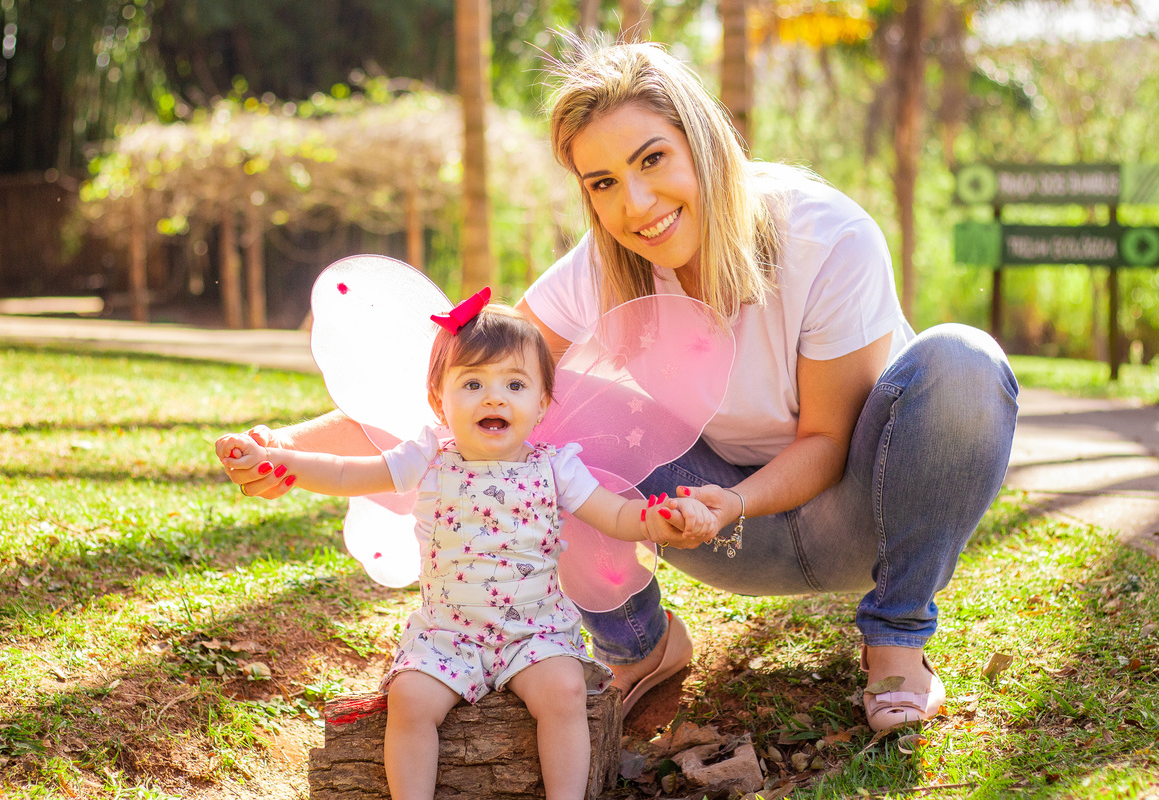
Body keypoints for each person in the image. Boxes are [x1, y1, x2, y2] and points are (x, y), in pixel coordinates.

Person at [224, 39, 1019, 733]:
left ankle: (897, 638)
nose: (635, 205)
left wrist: (738, 500)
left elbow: (825, 443)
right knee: (538, 405)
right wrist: (287, 450)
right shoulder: (601, 269)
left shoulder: (828, 236)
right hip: (716, 529)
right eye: (602, 183)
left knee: (964, 362)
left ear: (701, 142)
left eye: (652, 161)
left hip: (867, 510)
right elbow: (462, 400)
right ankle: (640, 646)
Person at [216, 299, 715, 800]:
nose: (493, 398)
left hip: (533, 631)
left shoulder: (556, 467)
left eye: (515, 385)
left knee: (563, 692)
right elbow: (349, 472)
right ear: (439, 399)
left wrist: (656, 519)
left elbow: (616, 515)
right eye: (472, 383)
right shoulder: (427, 456)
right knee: (410, 699)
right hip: (447, 635)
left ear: (543, 402)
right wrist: (277, 459)